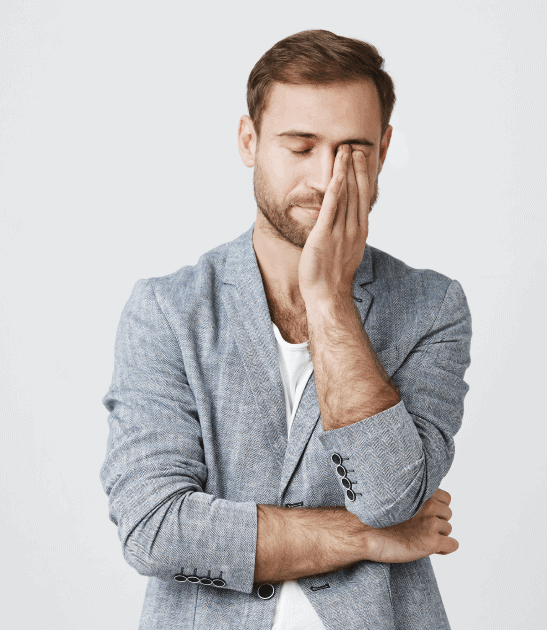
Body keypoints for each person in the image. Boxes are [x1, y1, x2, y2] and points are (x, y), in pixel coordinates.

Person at [100, 29, 472, 630]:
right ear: (249, 141)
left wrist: (329, 301)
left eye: (352, 150)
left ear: (384, 148)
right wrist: (365, 538)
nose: (327, 180)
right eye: (301, 147)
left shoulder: (431, 306)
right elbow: (156, 530)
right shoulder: (168, 311)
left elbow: (389, 496)